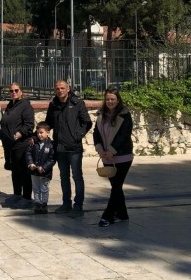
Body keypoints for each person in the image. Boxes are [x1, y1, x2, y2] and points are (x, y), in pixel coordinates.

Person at [45, 79, 92, 218]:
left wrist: (78, 135)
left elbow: (87, 122)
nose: (60, 90)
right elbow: (48, 124)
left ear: (68, 89)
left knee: (77, 176)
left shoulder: (77, 103)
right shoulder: (53, 105)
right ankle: (66, 203)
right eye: (57, 88)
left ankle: (78, 205)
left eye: (62, 88)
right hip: (60, 147)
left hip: (74, 147)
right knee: (63, 177)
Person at [93, 88, 134, 227]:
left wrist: (112, 150)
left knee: (116, 186)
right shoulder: (100, 114)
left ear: (118, 100)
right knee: (116, 186)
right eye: (108, 99)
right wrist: (100, 149)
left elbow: (124, 135)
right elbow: (96, 133)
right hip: (106, 156)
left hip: (122, 156)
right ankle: (122, 214)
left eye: (113, 99)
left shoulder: (125, 115)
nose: (110, 101)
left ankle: (107, 216)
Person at [0, 83, 36, 208]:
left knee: (23, 171)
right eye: (11, 91)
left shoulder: (26, 106)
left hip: (21, 144)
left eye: (16, 90)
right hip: (10, 145)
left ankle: (26, 197)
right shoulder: (11, 105)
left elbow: (29, 124)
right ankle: (17, 194)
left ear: (21, 92)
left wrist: (20, 133)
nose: (13, 92)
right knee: (15, 171)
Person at [26, 122, 56, 214]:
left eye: (41, 132)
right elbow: (28, 153)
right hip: (34, 171)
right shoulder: (33, 143)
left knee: (44, 188)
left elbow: (52, 159)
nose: (39, 135)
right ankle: (37, 203)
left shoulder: (51, 145)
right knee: (36, 188)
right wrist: (30, 163)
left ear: (48, 132)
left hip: (45, 172)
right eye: (38, 132)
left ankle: (44, 204)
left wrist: (44, 167)